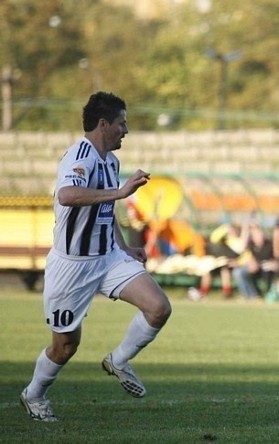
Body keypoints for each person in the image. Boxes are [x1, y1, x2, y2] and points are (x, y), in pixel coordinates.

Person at [19, 92, 172, 422]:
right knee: (66, 347)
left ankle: (119, 360)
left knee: (158, 307)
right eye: (122, 123)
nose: (126, 131)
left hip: (108, 257)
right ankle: (34, 394)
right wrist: (120, 192)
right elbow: (68, 194)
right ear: (104, 124)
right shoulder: (80, 155)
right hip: (72, 267)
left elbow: (104, 209)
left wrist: (125, 247)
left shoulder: (111, 161)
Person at [232, 222, 278, 300]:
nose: (258, 236)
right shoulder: (251, 244)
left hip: (266, 267)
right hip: (254, 267)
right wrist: (245, 229)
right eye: (255, 234)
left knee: (266, 270)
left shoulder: (269, 244)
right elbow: (243, 247)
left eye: (259, 234)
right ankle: (249, 295)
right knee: (238, 272)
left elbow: (275, 259)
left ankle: (266, 293)